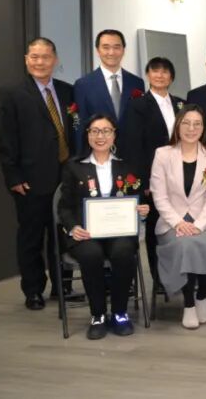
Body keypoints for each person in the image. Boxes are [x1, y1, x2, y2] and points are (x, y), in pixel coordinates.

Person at [0, 37, 76, 310]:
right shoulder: (11, 93)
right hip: (30, 180)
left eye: (45, 56)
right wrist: (13, 177)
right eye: (34, 57)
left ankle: (62, 286)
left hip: (66, 178)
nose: (40, 62)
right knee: (31, 237)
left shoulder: (67, 91)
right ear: (26, 60)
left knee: (63, 234)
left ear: (55, 60)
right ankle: (33, 290)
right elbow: (5, 138)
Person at [57, 114, 150, 339]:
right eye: (95, 131)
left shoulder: (126, 165)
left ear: (114, 135)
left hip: (119, 231)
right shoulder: (74, 167)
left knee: (124, 252)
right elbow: (64, 207)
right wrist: (73, 228)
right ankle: (97, 315)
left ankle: (119, 313)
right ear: (87, 135)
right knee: (91, 255)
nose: (101, 136)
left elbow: (137, 198)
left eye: (106, 131)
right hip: (86, 233)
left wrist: (142, 210)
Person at [149, 105, 206, 329]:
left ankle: (201, 297)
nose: (191, 128)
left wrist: (199, 225)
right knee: (184, 245)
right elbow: (159, 195)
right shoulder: (163, 154)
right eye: (186, 123)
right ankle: (189, 303)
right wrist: (179, 223)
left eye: (197, 124)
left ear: (203, 128)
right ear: (178, 126)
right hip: (172, 222)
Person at [122, 57, 184, 290]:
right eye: (155, 71)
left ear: (172, 77)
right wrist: (145, 181)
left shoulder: (181, 104)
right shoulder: (137, 105)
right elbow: (133, 146)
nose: (160, 75)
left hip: (180, 175)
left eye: (165, 71)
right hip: (153, 178)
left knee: (179, 224)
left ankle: (181, 274)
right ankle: (159, 278)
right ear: (148, 75)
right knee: (155, 228)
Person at [72, 29, 145, 151]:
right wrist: (81, 157)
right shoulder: (83, 85)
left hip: (131, 153)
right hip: (98, 152)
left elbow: (140, 122)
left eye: (116, 47)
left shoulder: (136, 82)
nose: (111, 52)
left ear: (123, 50)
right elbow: (79, 126)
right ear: (98, 50)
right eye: (106, 47)